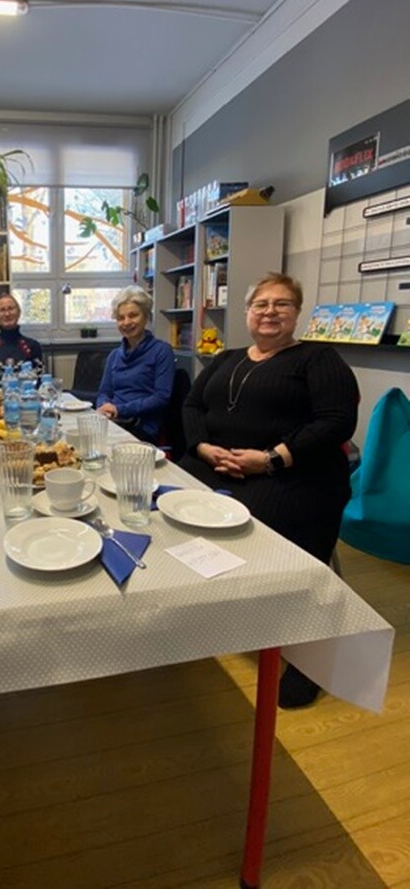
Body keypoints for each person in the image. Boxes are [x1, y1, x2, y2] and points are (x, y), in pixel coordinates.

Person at [179, 272, 359, 708]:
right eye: (261, 304)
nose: (270, 312)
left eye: (282, 304)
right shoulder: (227, 358)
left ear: (297, 313)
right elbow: (192, 405)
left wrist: (271, 458)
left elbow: (336, 422)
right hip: (216, 465)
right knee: (167, 505)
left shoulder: (318, 359)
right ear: (247, 312)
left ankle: (309, 654)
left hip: (293, 474)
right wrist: (202, 447)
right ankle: (204, 607)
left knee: (263, 532)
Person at [96, 285, 175, 443]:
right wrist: (105, 407)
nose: (126, 322)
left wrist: (119, 410)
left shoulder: (162, 351)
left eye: (133, 315)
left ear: (145, 316)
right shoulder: (114, 355)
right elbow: (104, 392)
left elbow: (161, 398)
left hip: (142, 426)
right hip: (114, 421)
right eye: (120, 318)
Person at [0, 293, 43, 391]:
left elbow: (40, 381)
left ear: (19, 312)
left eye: (11, 309)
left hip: (24, 398)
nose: (7, 314)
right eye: (2, 310)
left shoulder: (33, 346)